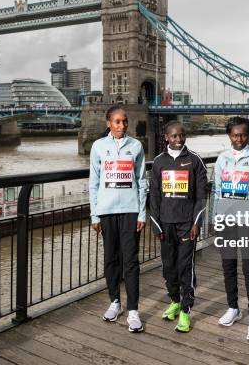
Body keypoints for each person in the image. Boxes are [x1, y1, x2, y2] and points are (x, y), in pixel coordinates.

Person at [89, 105, 147, 333]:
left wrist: (142, 213)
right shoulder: (98, 147)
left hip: (131, 211)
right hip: (106, 211)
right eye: (117, 122)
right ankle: (115, 302)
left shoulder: (136, 146)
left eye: (124, 121)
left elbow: (142, 181)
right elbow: (93, 182)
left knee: (131, 261)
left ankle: (133, 310)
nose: (121, 126)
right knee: (111, 259)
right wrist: (94, 214)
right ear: (108, 123)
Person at [213, 116, 249, 341]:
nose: (239, 139)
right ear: (229, 136)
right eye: (235, 135)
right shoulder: (222, 159)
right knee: (228, 265)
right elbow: (218, 192)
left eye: (244, 134)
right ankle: (233, 308)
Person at [150, 121, 208, 333]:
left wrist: (196, 223)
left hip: (186, 225)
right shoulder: (158, 162)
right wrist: (156, 224)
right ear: (166, 137)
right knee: (168, 267)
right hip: (165, 225)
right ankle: (174, 300)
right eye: (174, 136)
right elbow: (154, 196)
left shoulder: (195, 161)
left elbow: (202, 196)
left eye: (182, 136)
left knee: (186, 268)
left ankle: (185, 310)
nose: (178, 139)